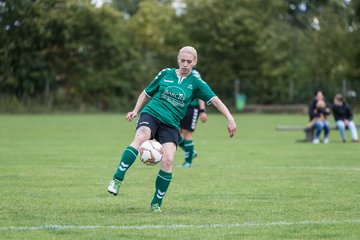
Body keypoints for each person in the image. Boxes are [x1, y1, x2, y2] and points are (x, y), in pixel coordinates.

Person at [107, 46, 237, 212]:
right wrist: (135, 110)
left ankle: (156, 203)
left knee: (168, 160)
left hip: (171, 124)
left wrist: (230, 118)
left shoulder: (196, 83)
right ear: (178, 59)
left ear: (195, 62)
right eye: (182, 60)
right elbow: (146, 93)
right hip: (152, 114)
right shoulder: (165, 73)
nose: (185, 64)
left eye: (189, 62)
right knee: (141, 137)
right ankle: (117, 179)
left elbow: (216, 100)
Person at [178, 99, 207, 168]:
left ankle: (188, 162)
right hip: (180, 107)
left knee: (187, 133)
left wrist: (202, 111)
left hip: (192, 108)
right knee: (174, 132)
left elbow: (201, 94)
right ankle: (191, 152)